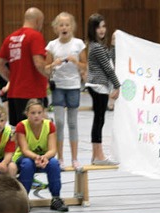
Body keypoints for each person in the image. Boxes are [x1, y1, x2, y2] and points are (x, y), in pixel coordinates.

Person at [45, 12, 86, 169]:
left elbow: (84, 66)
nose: (64, 27)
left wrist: (76, 62)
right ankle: (60, 158)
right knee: (60, 123)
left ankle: (75, 159)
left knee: (72, 123)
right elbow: (46, 68)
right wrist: (53, 64)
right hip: (58, 87)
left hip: (73, 86)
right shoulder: (52, 45)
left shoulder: (78, 44)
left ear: (72, 27)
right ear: (56, 28)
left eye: (67, 24)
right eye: (61, 25)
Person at [0, 7, 49, 126]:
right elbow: (39, 63)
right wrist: (53, 75)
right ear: (38, 20)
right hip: (32, 95)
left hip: (14, 94)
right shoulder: (35, 36)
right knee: (36, 133)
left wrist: (13, 79)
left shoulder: (10, 38)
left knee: (18, 133)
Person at [13, 99, 68, 212]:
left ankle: (56, 198)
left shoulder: (49, 125)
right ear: (27, 113)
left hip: (43, 157)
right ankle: (24, 199)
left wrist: (45, 157)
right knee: (27, 164)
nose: (36, 116)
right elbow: (24, 150)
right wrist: (36, 157)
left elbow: (53, 150)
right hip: (25, 157)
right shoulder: (21, 126)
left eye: (39, 112)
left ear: (43, 113)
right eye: (33, 113)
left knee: (53, 163)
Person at [86, 13, 121, 165]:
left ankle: (96, 155)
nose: (102, 30)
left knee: (99, 120)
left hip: (99, 86)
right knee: (99, 120)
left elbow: (110, 60)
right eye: (98, 27)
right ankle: (99, 156)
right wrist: (118, 85)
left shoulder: (99, 46)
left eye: (103, 26)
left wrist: (113, 44)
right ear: (92, 29)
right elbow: (108, 69)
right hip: (98, 86)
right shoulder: (96, 47)